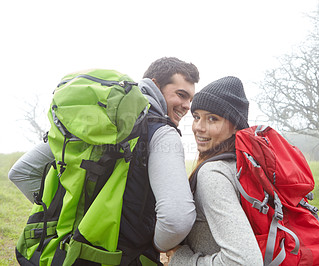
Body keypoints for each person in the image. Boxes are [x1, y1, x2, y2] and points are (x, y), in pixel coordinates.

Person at [8, 57, 198, 265]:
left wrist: (65, 212)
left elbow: (23, 172)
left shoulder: (91, 120)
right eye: (181, 95)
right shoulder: (161, 133)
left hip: (65, 253)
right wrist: (154, 244)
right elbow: (176, 220)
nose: (187, 106)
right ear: (155, 84)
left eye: (190, 99)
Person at [166, 76, 263, 265]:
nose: (198, 128)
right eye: (196, 117)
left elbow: (245, 262)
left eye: (212, 119)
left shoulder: (214, 174)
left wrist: (181, 259)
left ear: (235, 126)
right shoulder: (244, 166)